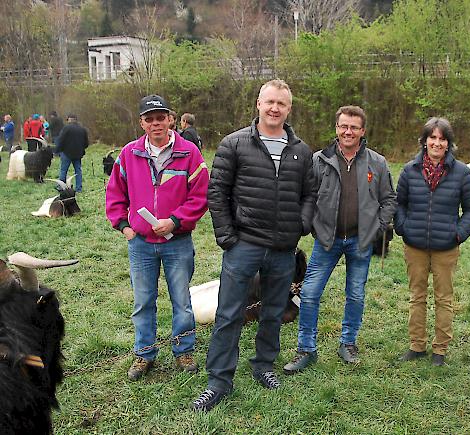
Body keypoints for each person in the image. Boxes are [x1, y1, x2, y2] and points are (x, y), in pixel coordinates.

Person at [192, 79, 315, 412]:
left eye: (282, 104)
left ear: (289, 109)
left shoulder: (301, 151)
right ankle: (219, 381)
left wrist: (299, 226)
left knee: (273, 313)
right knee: (229, 314)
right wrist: (227, 237)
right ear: (258, 104)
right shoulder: (234, 144)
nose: (275, 109)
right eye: (269, 102)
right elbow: (216, 193)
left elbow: (310, 194)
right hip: (243, 245)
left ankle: (263, 366)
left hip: (282, 249)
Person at [283, 105, 396, 374]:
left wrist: (377, 226)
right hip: (326, 240)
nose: (348, 131)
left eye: (354, 127)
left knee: (355, 294)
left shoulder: (377, 163)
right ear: (336, 128)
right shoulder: (318, 161)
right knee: (309, 294)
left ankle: (348, 343)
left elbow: (389, 199)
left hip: (360, 240)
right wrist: (311, 225)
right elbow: (306, 196)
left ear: (362, 131)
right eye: (344, 126)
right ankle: (306, 349)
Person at [105, 95, 209, 381]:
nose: (155, 124)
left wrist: (175, 220)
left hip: (177, 242)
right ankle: (144, 354)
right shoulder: (128, 154)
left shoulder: (190, 153)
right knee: (143, 301)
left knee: (182, 301)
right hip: (140, 244)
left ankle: (183, 350)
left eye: (160, 118)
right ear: (141, 123)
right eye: (149, 119)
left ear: (170, 119)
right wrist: (124, 226)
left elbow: (200, 197)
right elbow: (114, 193)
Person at [394, 117, 470, 366]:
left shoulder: (462, 173)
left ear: (448, 143)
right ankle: (416, 345)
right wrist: (403, 228)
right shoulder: (410, 171)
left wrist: (458, 233)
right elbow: (399, 203)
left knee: (444, 298)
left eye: (442, 139)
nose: (437, 143)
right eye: (433, 137)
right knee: (417, 296)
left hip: (446, 248)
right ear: (424, 141)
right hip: (415, 245)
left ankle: (440, 349)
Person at [55, 114, 89, 193]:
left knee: (63, 170)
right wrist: (81, 149)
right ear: (76, 119)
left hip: (66, 153)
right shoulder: (82, 129)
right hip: (78, 154)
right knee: (78, 171)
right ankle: (79, 188)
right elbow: (86, 143)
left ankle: (61, 187)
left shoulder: (66, 128)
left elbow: (60, 140)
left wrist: (57, 151)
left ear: (69, 119)